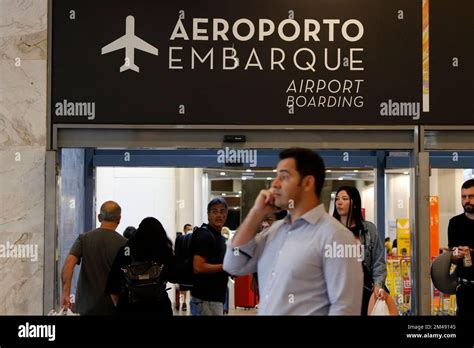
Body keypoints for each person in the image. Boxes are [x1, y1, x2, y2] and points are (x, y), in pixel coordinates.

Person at [224, 148, 363, 315]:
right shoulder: (274, 232)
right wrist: (256, 213)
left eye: (284, 177)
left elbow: (344, 308)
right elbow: (233, 265)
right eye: (276, 177)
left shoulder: (336, 236)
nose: (274, 184)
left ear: (307, 183)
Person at [61, 201, 126, 315]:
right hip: (112, 309)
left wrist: (66, 294)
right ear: (119, 219)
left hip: (84, 309)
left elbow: (68, 264)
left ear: (99, 217)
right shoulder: (124, 244)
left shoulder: (84, 239)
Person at [333, 185, 387, 315]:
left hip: (364, 291)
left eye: (345, 198)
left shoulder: (369, 230)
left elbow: (378, 261)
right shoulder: (329, 230)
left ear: (355, 204)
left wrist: (378, 284)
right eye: (337, 198)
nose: (339, 202)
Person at [105, 217, 176, 317]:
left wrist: (120, 306)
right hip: (159, 307)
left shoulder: (126, 250)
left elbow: (113, 285)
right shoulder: (164, 251)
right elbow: (174, 276)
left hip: (129, 307)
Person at [190, 197, 229, 316]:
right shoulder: (204, 235)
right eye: (214, 211)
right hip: (205, 299)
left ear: (226, 215)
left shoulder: (220, 238)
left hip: (215, 298)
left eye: (222, 211)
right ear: (208, 215)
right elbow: (198, 267)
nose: (218, 215)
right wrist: (224, 267)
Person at [448, 179, 474, 315]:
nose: (467, 200)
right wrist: (455, 255)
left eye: (471, 196)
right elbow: (452, 257)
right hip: (465, 288)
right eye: (464, 197)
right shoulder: (455, 223)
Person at [175, 223, 193, 311]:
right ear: (184, 230)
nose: (190, 230)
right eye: (188, 229)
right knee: (183, 287)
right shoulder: (180, 238)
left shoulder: (194, 239)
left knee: (191, 286)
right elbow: (177, 252)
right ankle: (183, 302)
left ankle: (189, 303)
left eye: (191, 228)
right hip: (183, 266)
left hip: (191, 266)